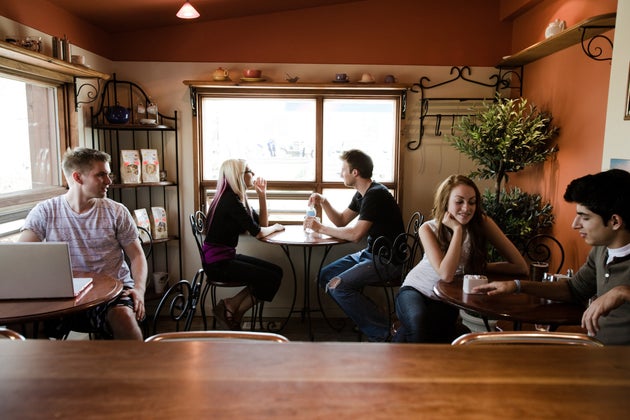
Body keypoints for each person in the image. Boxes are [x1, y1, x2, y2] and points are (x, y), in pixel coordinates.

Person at [474, 169, 630, 345]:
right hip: (596, 350)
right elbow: (573, 290)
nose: (575, 225)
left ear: (615, 221)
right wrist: (516, 285)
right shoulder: (601, 250)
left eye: (585, 218)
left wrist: (623, 292)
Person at [20, 147, 148, 340]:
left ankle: (139, 361)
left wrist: (139, 289)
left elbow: (137, 255)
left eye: (109, 174)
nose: (109, 181)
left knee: (124, 317)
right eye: (101, 175)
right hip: (65, 294)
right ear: (78, 177)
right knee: (26, 324)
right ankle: (49, 360)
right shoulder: (45, 212)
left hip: (114, 291)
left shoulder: (117, 212)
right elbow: (22, 255)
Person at [394, 175, 528, 343]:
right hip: (415, 290)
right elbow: (446, 274)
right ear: (445, 202)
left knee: (427, 332)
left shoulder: (482, 223)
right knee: (418, 322)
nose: (466, 208)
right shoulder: (427, 228)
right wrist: (458, 230)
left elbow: (520, 267)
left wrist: (476, 267)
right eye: (459, 201)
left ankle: (392, 355)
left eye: (472, 202)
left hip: (446, 298)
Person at [303, 149, 405, 342]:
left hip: (387, 260)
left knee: (338, 287)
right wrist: (323, 201)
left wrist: (320, 227)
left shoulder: (375, 195)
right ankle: (374, 314)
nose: (341, 173)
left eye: (343, 169)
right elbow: (341, 220)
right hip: (371, 254)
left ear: (355, 172)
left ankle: (384, 333)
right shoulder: (362, 194)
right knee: (325, 276)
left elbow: (356, 234)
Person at [202, 159, 285, 330]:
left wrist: (262, 195)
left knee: (276, 272)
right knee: (271, 278)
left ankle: (231, 306)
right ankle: (234, 311)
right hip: (218, 264)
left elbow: (261, 224)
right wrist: (276, 227)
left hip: (224, 258)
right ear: (238, 175)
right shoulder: (230, 200)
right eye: (249, 171)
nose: (253, 174)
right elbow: (259, 232)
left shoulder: (236, 198)